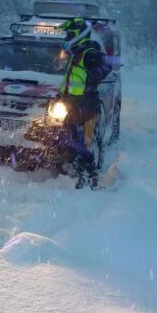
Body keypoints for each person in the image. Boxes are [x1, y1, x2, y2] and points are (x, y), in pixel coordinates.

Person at [58, 17, 112, 188]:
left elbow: (106, 66)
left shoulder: (89, 53)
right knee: (72, 142)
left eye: (68, 34)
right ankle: (81, 174)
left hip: (85, 107)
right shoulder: (75, 54)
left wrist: (91, 80)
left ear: (78, 35)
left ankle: (90, 177)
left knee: (83, 144)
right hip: (73, 105)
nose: (65, 38)